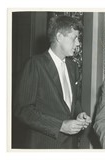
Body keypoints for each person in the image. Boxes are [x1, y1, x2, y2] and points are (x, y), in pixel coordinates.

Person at [13, 15, 91, 149]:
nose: (78, 43)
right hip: (43, 145)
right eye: (74, 38)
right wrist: (60, 126)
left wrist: (79, 114)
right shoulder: (35, 64)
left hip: (69, 147)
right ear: (59, 37)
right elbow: (23, 110)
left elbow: (73, 102)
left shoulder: (73, 67)